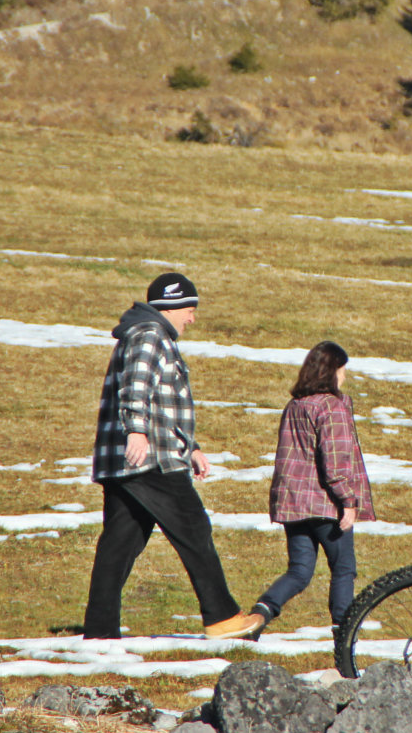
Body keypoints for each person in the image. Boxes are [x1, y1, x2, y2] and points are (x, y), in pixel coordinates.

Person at [81, 273, 263, 640]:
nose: (192, 318)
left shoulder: (145, 334)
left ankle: (99, 631)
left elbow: (164, 403)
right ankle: (223, 618)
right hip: (151, 458)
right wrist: (136, 430)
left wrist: (191, 447)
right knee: (194, 528)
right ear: (172, 305)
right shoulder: (150, 335)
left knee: (119, 544)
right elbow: (137, 384)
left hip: (134, 457)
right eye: (190, 309)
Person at [247, 341, 375, 637]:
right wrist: (349, 501)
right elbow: (336, 462)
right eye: (342, 370)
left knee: (299, 572)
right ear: (331, 371)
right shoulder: (333, 407)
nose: (344, 377)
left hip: (294, 505)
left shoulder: (295, 405)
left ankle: (258, 616)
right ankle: (344, 634)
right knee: (343, 569)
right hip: (327, 506)